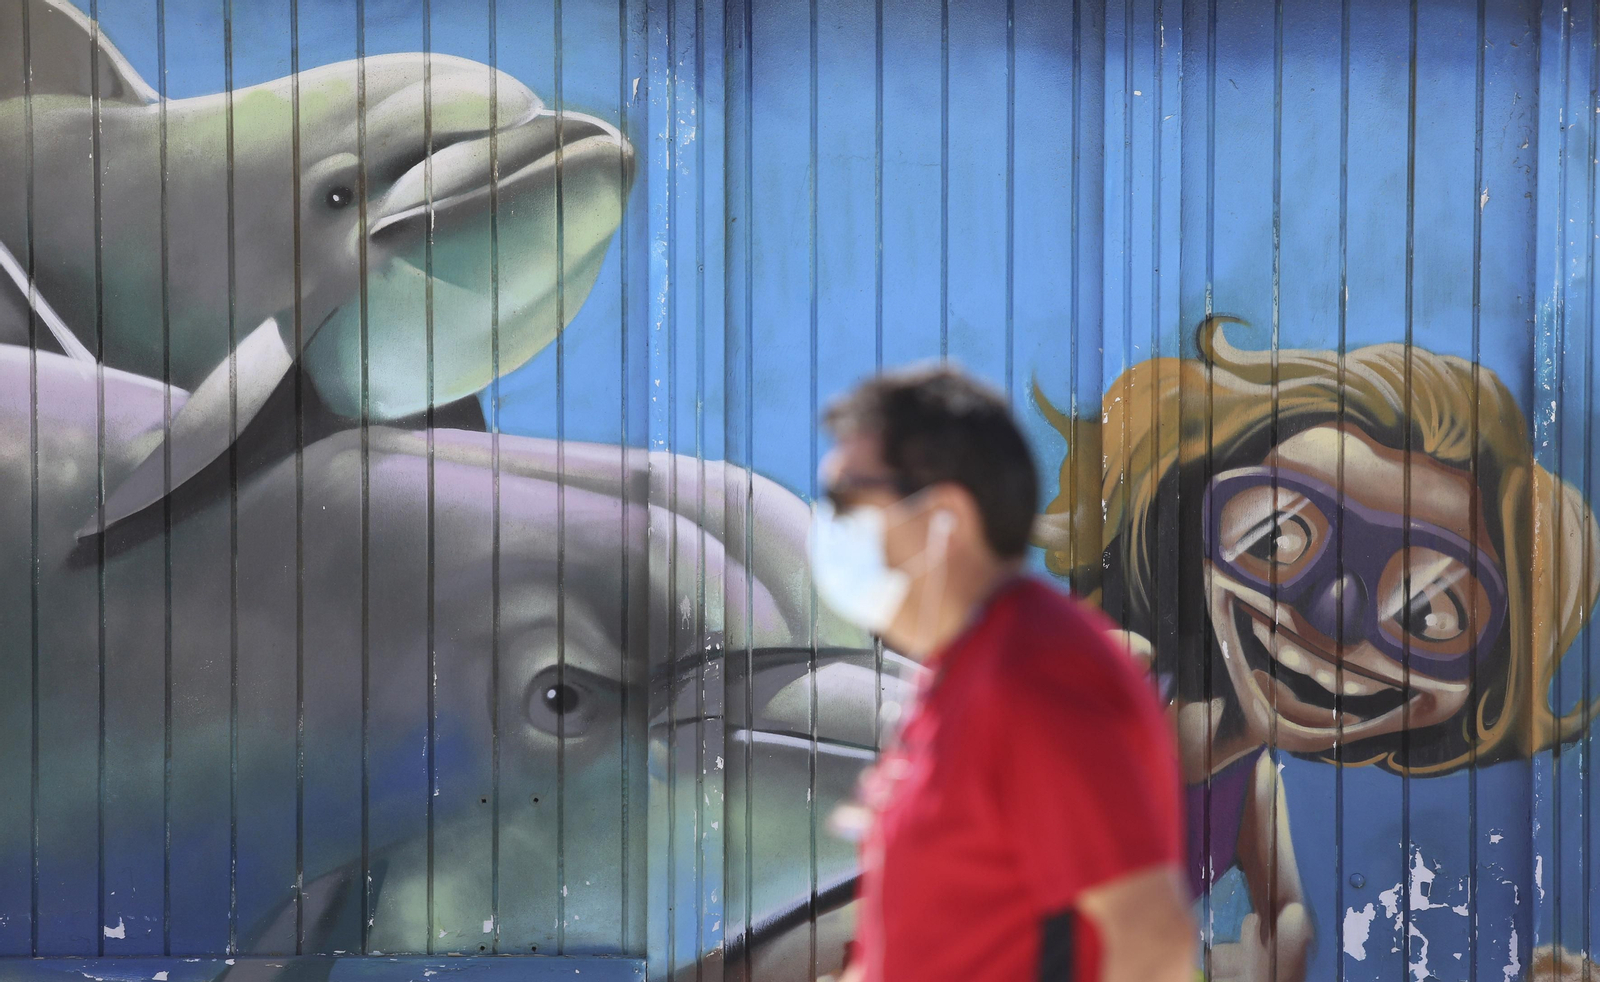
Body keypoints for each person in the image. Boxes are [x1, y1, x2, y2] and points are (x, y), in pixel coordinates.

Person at [808, 365, 1195, 982]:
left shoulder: (1036, 679)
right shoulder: (963, 670)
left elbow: (1152, 941)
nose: (825, 525)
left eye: (845, 499)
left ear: (947, 519)